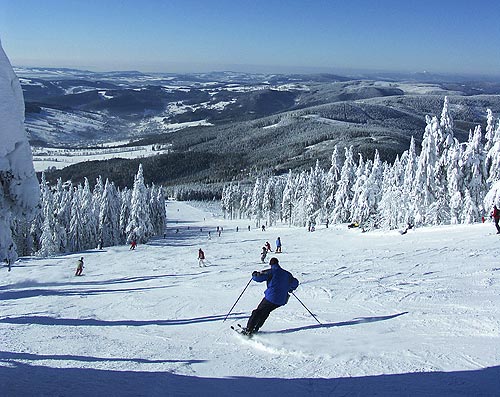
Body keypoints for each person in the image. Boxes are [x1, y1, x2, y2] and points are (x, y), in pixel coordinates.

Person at [242, 257, 299, 335]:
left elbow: (258, 278)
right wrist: (290, 288)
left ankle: (249, 329)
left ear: (270, 264)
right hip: (282, 300)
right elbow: (295, 283)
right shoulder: (287, 274)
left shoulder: (271, 272)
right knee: (265, 312)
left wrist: (254, 275)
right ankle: (256, 328)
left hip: (271, 298)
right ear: (278, 263)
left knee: (258, 312)